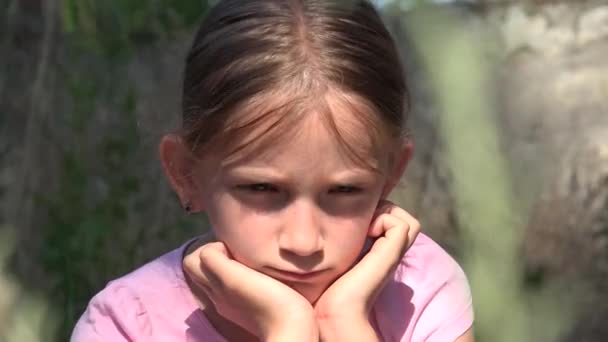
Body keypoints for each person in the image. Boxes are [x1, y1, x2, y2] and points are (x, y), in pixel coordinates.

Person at [71, 0, 474, 341]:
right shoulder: (125, 324)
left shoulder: (418, 290)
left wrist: (345, 321)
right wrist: (288, 327)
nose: (303, 243)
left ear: (391, 174)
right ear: (185, 173)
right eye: (262, 188)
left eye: (345, 191)